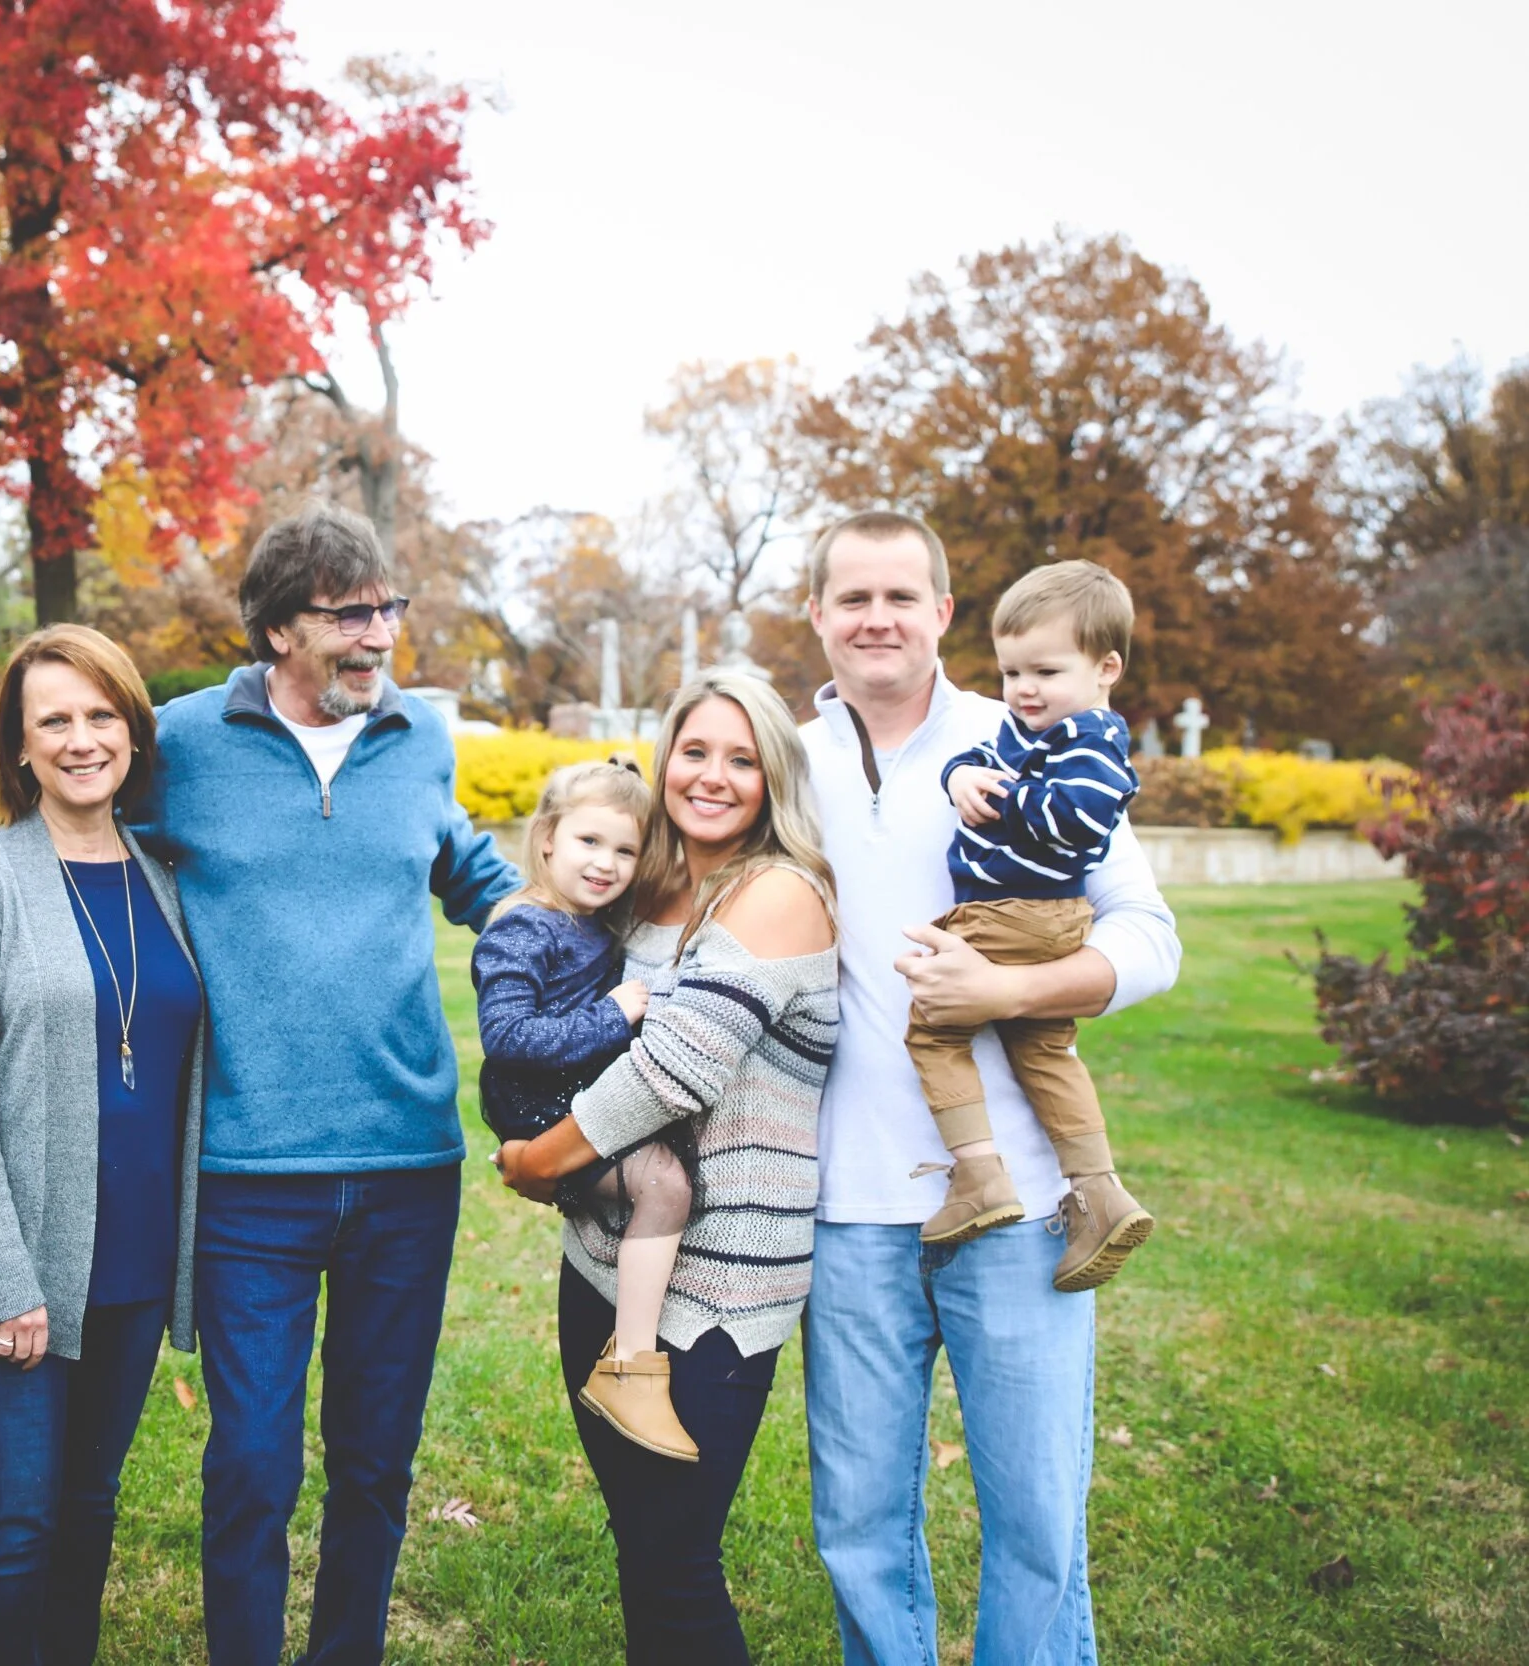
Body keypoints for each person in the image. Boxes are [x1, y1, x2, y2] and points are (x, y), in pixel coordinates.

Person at [131, 502, 520, 1666]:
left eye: (387, 608)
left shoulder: (419, 741)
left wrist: (599, 947)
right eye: (347, 614)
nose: (377, 634)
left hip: (409, 1166)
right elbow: (82, 853)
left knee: (374, 1458)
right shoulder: (180, 745)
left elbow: (477, 878)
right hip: (248, 1170)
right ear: (273, 631)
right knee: (251, 1460)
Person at [798, 511, 1181, 1664]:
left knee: (1034, 1522)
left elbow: (1150, 939)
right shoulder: (786, 756)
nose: (876, 617)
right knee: (858, 1523)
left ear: (942, 614)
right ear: (816, 614)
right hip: (845, 1206)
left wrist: (1007, 994)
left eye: (900, 596)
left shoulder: (1027, 725)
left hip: (1016, 1207)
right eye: (851, 596)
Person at [495, 670, 840, 1664]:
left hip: (719, 1288)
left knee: (676, 1558)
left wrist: (537, 1161)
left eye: (742, 758)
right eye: (695, 751)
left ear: (774, 777)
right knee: (642, 1548)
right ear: (663, 760)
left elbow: (667, 1072)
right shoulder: (654, 887)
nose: (714, 776)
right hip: (603, 1264)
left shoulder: (778, 895)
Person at [0, 625, 209, 1665]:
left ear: (130, 728)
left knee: (84, 1513)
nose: (81, 739)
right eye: (54, 722)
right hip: (11, 1265)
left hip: (126, 1264)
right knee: (11, 1526)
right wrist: (3, 1277)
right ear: (20, 748)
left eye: (99, 715)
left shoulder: (165, 882)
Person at [909, 560, 1156, 1289]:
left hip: (1014, 913)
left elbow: (1080, 819)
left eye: (1044, 671)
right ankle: (1099, 1191)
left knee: (933, 1026)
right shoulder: (1030, 728)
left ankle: (979, 1174)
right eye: (1012, 671)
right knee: (1046, 1049)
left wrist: (1007, 799)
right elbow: (979, 756)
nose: (1022, 690)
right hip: (1031, 917)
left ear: (1106, 666)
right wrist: (959, 776)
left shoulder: (1092, 740)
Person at [472, 760, 705, 1461]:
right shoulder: (525, 928)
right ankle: (631, 1364)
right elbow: (507, 1036)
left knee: (669, 1172)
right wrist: (612, 1014)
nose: (606, 864)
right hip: (536, 1099)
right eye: (589, 842)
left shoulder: (598, 926)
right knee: (663, 1184)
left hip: (575, 1090)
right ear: (546, 839)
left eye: (625, 850)